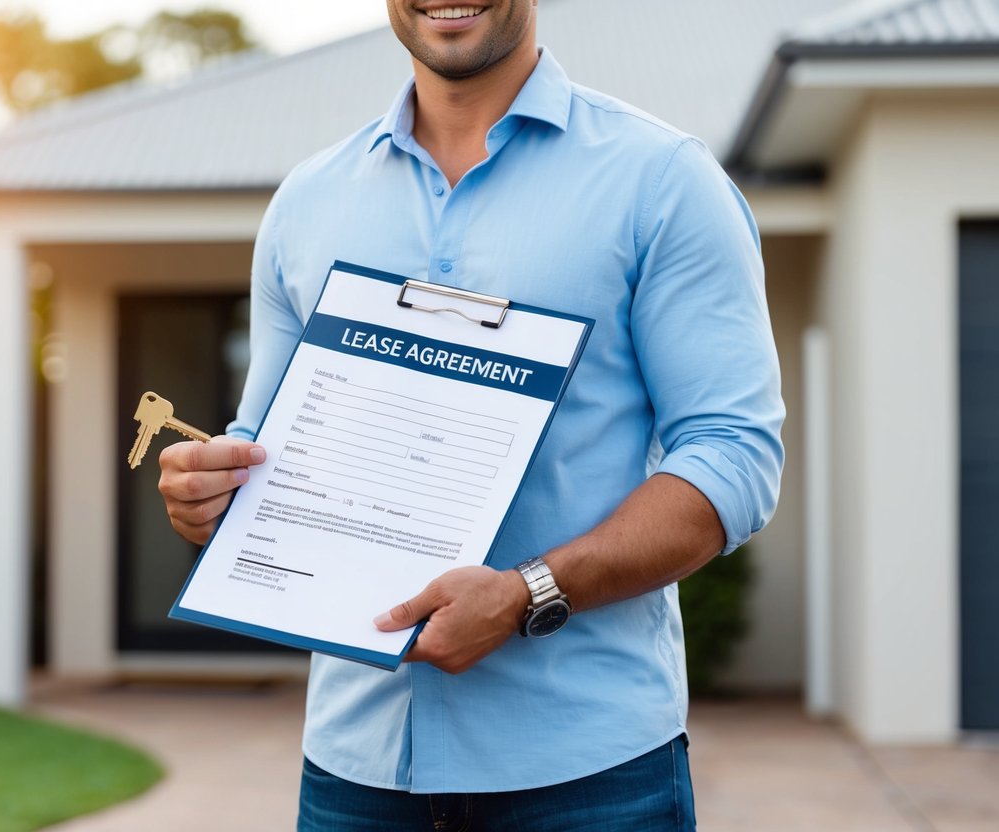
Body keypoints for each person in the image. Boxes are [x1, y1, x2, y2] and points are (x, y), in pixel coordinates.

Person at [158, 1, 784, 829]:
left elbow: (733, 456)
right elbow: (267, 443)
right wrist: (212, 492)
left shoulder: (661, 180)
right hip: (354, 771)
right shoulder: (306, 203)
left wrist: (528, 592)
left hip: (588, 775)